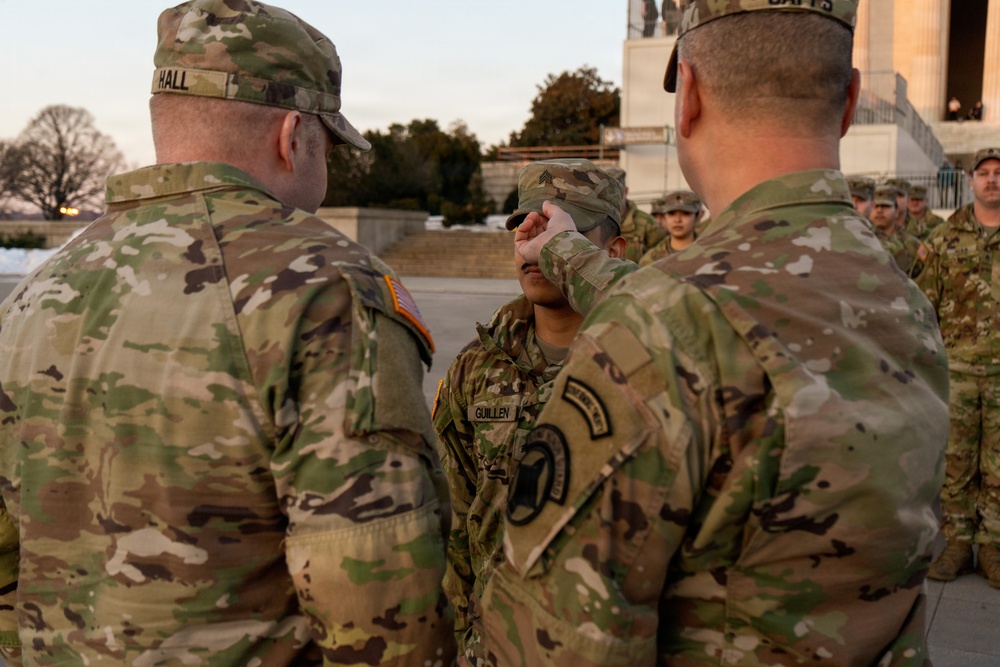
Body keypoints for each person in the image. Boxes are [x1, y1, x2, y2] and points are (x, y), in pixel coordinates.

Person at [473, 1, 949, 664]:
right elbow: (714, 316)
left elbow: (561, 641)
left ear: (687, 95)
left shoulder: (665, 323)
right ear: (847, 101)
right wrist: (568, 252)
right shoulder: (905, 301)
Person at [0, 1, 454, 664]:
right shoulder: (322, 285)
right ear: (294, 134)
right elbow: (378, 601)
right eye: (326, 146)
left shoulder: (36, 294)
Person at [432, 158, 625, 658]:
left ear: (612, 252)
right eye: (526, 226)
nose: (534, 245)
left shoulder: (644, 364)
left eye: (563, 231)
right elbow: (453, 521)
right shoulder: (475, 368)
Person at [919, 147, 1000, 588]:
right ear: (970, 181)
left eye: (999, 173)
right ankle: (955, 544)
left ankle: (991, 546)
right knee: (956, 461)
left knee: (999, 465)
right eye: (984, 173)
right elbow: (921, 305)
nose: (992, 180)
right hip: (959, 373)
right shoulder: (944, 239)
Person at [604, 166, 666, 262]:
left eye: (617, 191)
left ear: (626, 191)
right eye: (607, 192)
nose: (612, 196)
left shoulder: (647, 223)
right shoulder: (595, 222)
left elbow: (662, 257)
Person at [871, 184, 924, 276]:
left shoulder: (912, 244)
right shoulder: (862, 238)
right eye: (876, 206)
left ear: (896, 212)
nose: (879, 210)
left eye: (885, 206)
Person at [639, 189, 702, 265]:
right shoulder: (650, 260)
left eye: (686, 213)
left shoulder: (710, 253)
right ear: (665, 217)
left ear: (697, 217)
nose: (677, 220)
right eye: (671, 213)